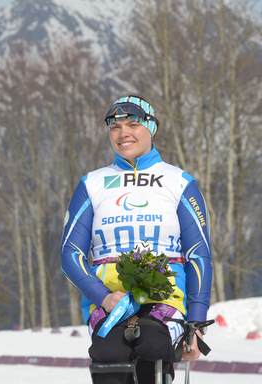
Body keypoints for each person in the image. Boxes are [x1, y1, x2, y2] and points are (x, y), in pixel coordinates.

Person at [60, 95, 213, 384]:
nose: (123, 133)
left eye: (132, 124)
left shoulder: (179, 182)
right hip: (110, 299)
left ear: (151, 128)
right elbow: (70, 254)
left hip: (167, 296)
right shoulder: (91, 184)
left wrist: (196, 320)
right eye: (115, 127)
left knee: (153, 346)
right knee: (108, 352)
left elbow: (198, 255)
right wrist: (103, 297)